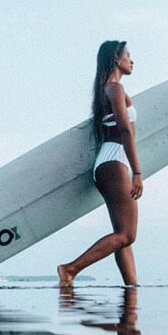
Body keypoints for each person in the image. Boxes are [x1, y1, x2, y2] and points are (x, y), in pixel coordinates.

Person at [57, 41, 143, 288]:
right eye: (129, 55)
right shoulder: (115, 88)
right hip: (115, 163)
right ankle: (70, 269)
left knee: (123, 235)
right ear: (117, 57)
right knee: (127, 234)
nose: (132, 60)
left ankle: (132, 288)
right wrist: (137, 172)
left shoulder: (109, 90)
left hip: (111, 164)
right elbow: (125, 131)